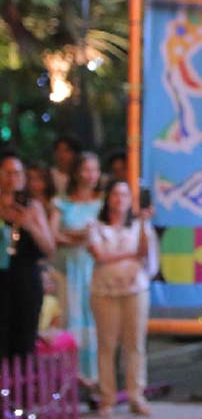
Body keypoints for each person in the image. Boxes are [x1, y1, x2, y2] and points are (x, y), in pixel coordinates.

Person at [88, 180, 158, 417]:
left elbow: (145, 253)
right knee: (107, 345)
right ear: (108, 198)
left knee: (135, 345)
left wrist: (145, 223)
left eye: (125, 195)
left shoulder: (139, 225)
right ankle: (107, 397)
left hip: (135, 290)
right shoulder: (96, 226)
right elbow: (99, 254)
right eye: (115, 194)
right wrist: (130, 254)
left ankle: (136, 395)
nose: (120, 199)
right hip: (104, 291)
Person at [50, 151, 103, 384]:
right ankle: (68, 378)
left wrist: (71, 235)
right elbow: (53, 234)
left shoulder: (102, 203)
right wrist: (78, 236)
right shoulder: (62, 202)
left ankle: (96, 378)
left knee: (95, 320)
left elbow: (102, 233)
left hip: (94, 269)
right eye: (86, 169)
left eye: (95, 170)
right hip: (68, 271)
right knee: (68, 318)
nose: (91, 175)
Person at [0, 149, 56, 360]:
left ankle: (20, 380)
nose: (12, 178)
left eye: (17, 173)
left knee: (23, 339)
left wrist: (30, 225)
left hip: (25, 279)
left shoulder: (34, 207)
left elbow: (49, 249)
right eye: (7, 173)